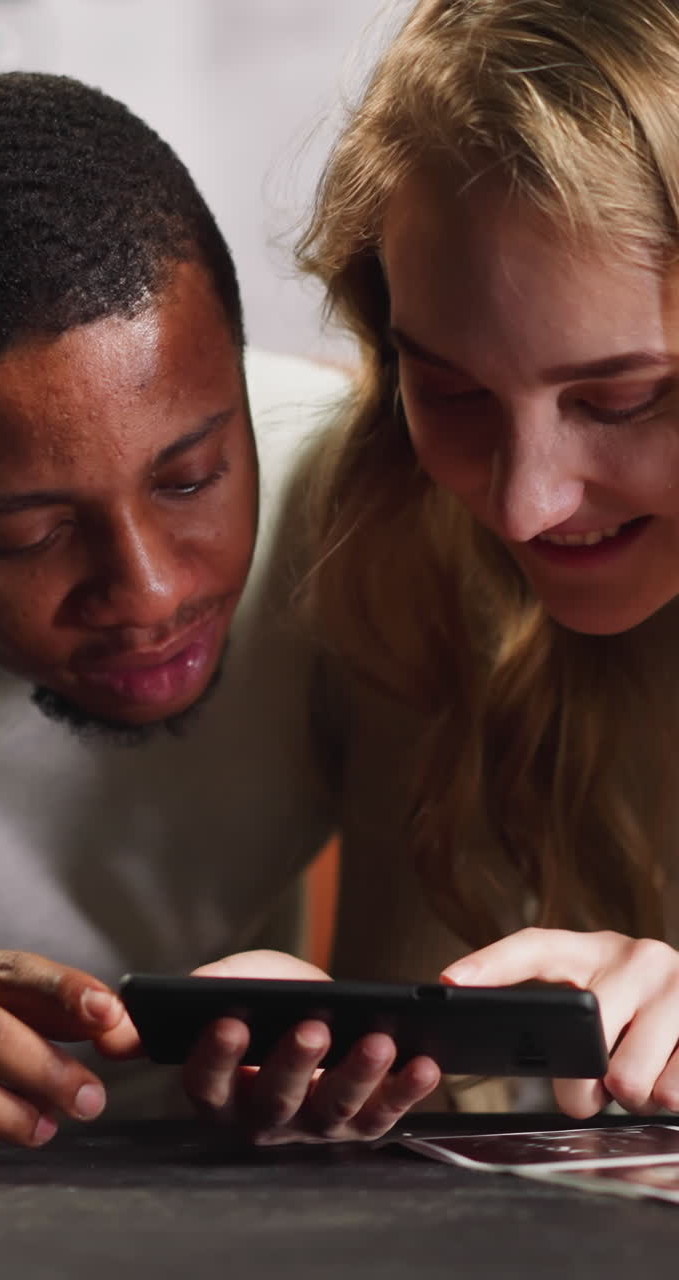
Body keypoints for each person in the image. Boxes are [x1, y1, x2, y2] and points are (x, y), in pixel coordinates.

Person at [0, 70, 442, 1168]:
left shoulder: (362, 497)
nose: (150, 592)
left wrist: (355, 1076)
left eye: (192, 477)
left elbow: (432, 1051)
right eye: (27, 534)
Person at [288, 0, 679, 1120]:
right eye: (451, 391)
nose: (522, 503)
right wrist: (322, 1052)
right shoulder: (390, 524)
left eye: (622, 399)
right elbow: (430, 1118)